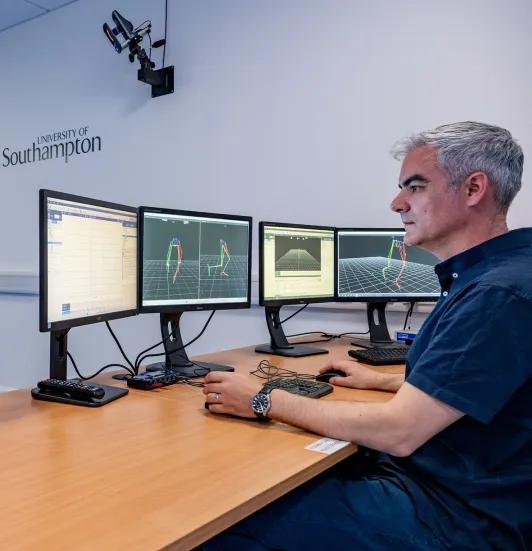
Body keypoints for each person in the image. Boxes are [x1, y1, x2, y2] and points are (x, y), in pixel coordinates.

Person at [200, 122, 530, 551]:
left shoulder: (496, 294)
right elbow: (484, 384)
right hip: (455, 492)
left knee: (222, 517)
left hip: (453, 518)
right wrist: (383, 380)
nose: (396, 203)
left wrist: (264, 399)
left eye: (414, 187)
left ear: (473, 189)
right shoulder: (503, 275)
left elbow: (400, 431)